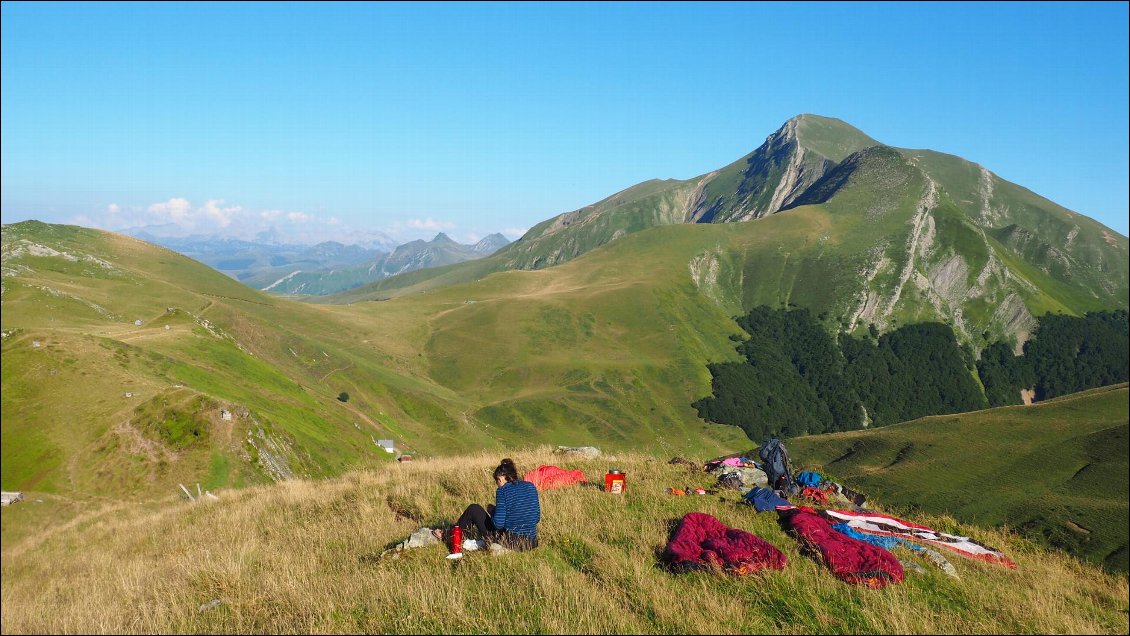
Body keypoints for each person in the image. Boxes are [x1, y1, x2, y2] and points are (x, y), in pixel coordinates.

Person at [434, 458, 541, 551]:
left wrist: (493, 511)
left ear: (500, 478)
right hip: (531, 542)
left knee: (474, 509)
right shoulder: (531, 486)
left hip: (511, 543)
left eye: (496, 482)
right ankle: (453, 533)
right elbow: (536, 518)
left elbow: (498, 524)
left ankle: (449, 535)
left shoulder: (503, 491)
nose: (497, 485)